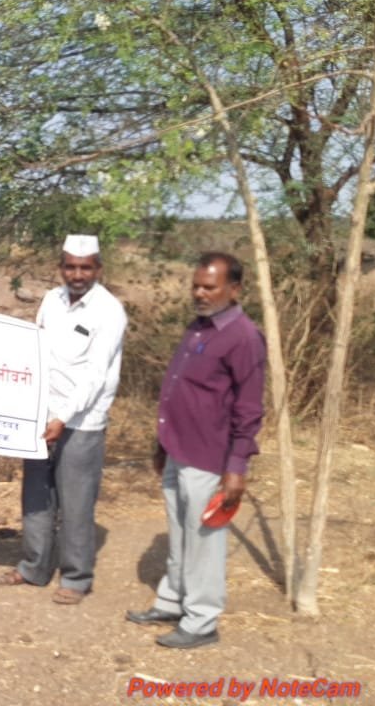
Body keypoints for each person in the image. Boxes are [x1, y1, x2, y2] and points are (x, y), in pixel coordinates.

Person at [125, 252, 265, 649]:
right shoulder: (200, 327)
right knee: (180, 533)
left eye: (209, 287)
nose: (200, 293)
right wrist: (161, 444)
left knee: (204, 539)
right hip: (177, 448)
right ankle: (172, 601)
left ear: (233, 289)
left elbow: (250, 408)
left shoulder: (243, 336)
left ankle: (202, 621)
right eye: (196, 286)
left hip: (210, 457)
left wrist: (237, 466)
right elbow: (178, 388)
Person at [0, 234, 127, 605]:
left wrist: (64, 416)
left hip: (83, 420)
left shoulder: (109, 310)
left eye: (85, 267)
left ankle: (76, 578)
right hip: (42, 415)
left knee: (76, 501)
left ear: (97, 269)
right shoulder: (52, 300)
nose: (77, 274)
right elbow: (34, 350)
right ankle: (34, 566)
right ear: (61, 267)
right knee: (36, 495)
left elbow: (96, 374)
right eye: (70, 266)